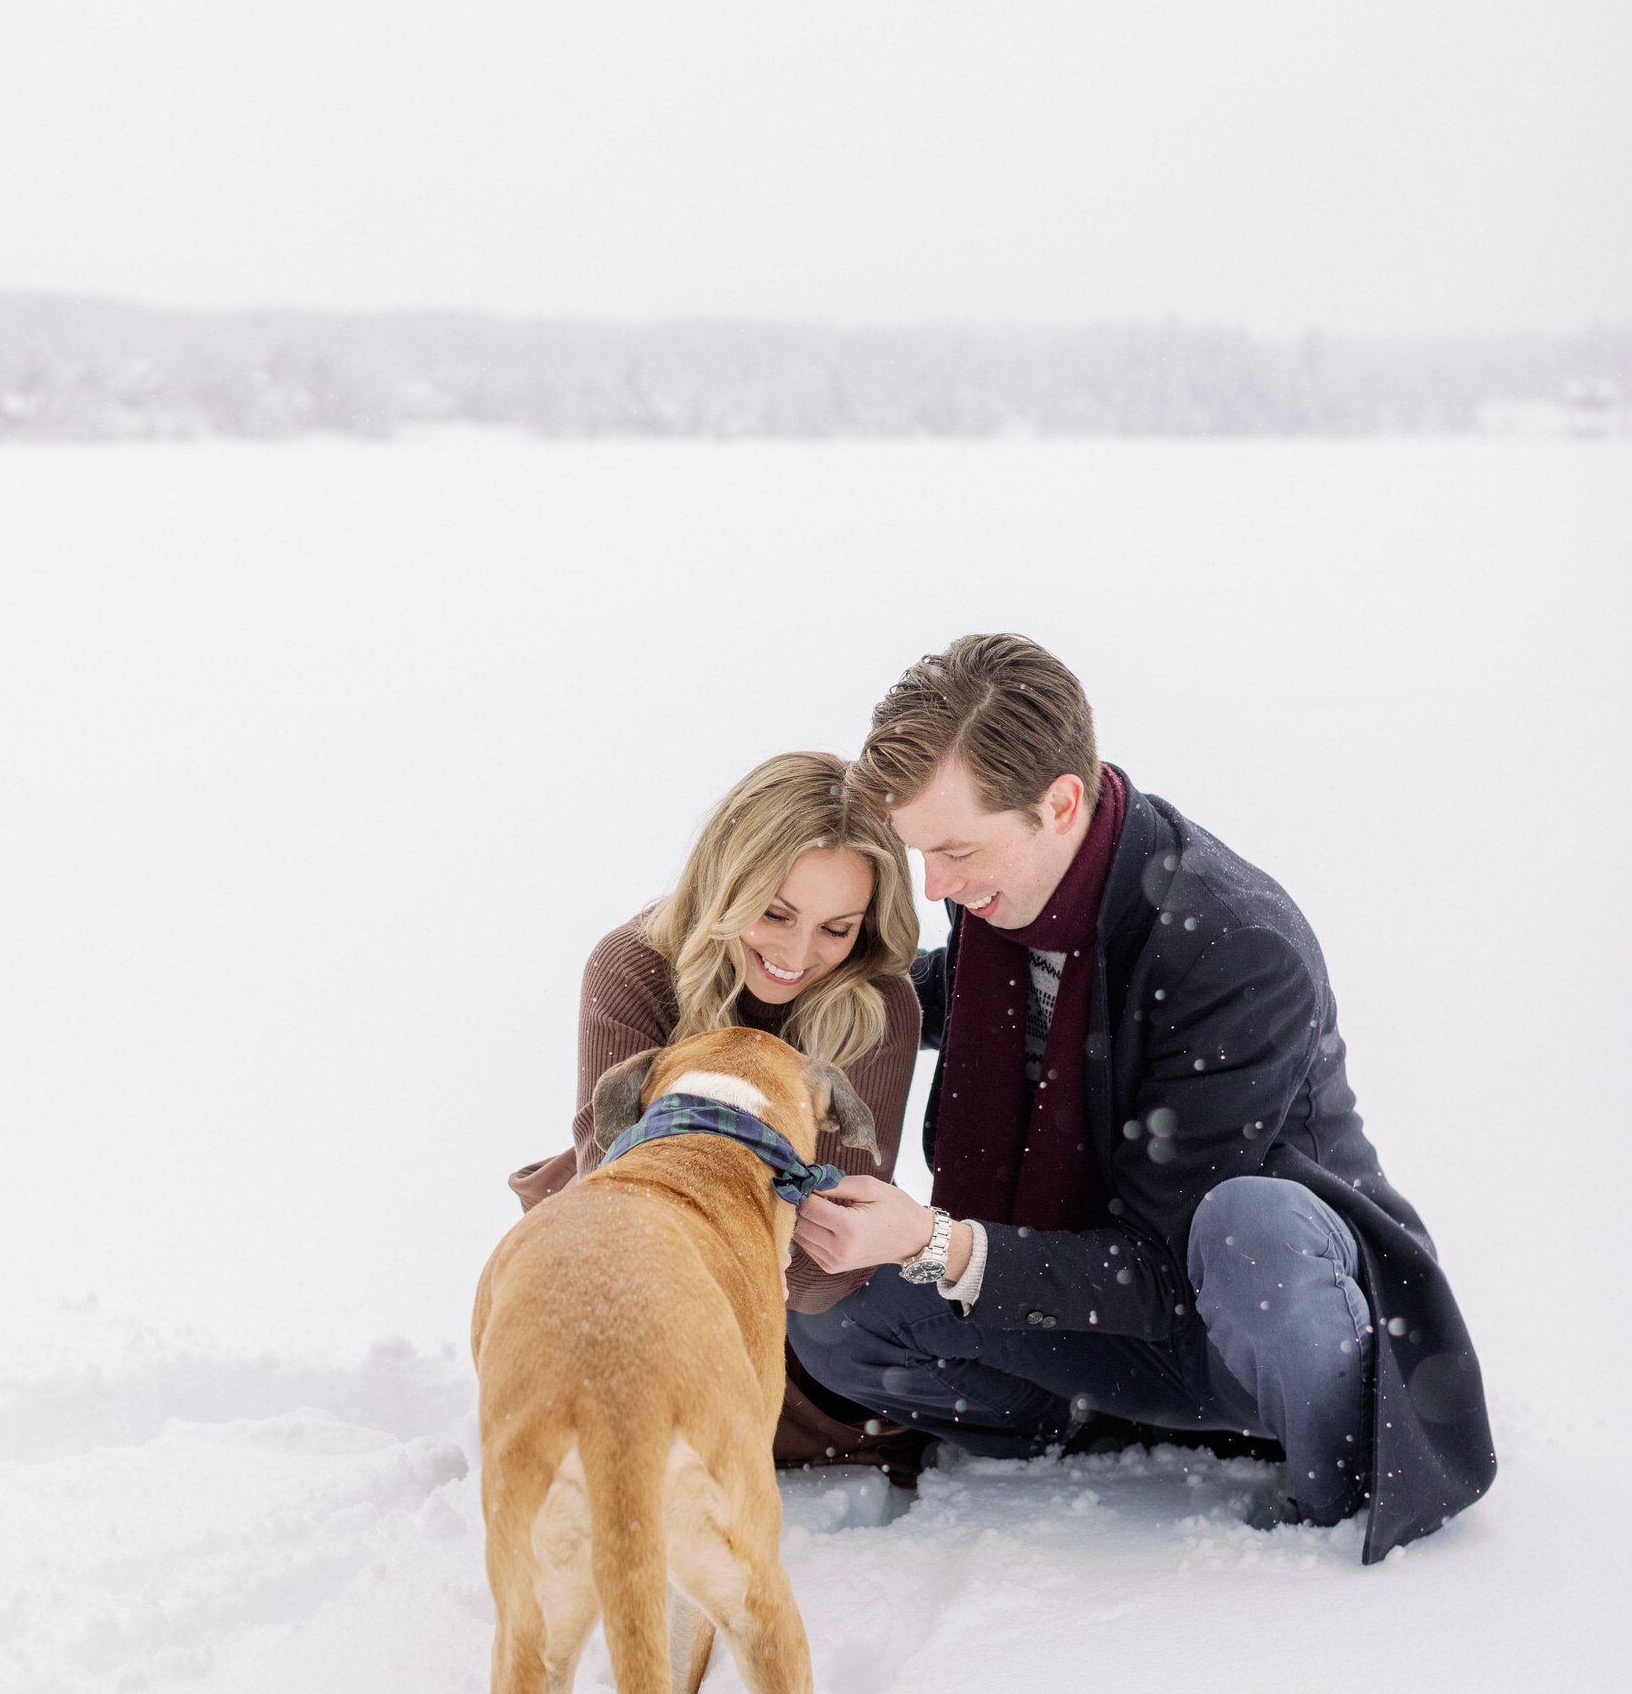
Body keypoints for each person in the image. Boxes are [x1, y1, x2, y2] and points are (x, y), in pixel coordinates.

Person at [787, 634, 1495, 1563]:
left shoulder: (1234, 946)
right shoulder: (1013, 897)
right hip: (1101, 1316)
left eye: (955, 851)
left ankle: (1330, 1496)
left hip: (1242, 1319)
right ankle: (1064, 1429)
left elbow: (1166, 1272)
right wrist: (784, 992)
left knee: (1252, 1229)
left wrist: (935, 1241)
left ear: (1061, 802)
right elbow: (940, 994)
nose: (938, 886)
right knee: (840, 1302)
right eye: (924, 854)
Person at [510, 751, 931, 1479]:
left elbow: (826, 1270)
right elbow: (613, 1208)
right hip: (645, 1299)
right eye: (774, 913)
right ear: (724, 885)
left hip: (791, 1332)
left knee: (844, 1329)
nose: (798, 955)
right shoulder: (635, 966)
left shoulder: (878, 1003)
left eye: (837, 929)